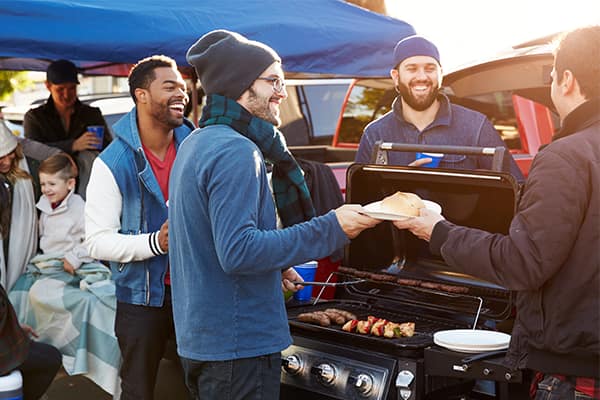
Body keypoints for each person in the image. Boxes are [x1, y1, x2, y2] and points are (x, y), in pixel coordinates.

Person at [169, 30, 381, 400]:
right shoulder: (237, 151)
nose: (282, 91)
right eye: (273, 81)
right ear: (241, 85)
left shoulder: (197, 142)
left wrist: (277, 265)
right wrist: (333, 227)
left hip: (206, 339)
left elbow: (209, 238)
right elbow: (239, 252)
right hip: (238, 346)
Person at [393, 26, 600, 399]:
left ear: (567, 80)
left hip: (579, 373)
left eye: (552, 75)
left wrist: (436, 231)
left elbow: (524, 262)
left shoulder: (566, 156)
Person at [84, 55, 193, 400]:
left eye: (182, 85)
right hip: (141, 300)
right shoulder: (111, 163)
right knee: (138, 391)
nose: (182, 92)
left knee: (206, 386)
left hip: (199, 292)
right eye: (170, 85)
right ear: (141, 95)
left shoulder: (197, 146)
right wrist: (154, 243)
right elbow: (97, 242)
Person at [355, 35, 524, 182]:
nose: (422, 77)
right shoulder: (375, 134)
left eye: (430, 69)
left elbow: (514, 188)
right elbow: (363, 200)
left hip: (458, 220)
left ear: (440, 74)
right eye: (412, 69)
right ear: (396, 77)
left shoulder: (476, 126)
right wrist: (403, 181)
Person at [23, 59, 111, 198]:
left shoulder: (91, 114)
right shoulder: (35, 117)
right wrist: (73, 145)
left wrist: (96, 145)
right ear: (48, 86)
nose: (66, 94)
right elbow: (32, 151)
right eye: (60, 89)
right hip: (48, 191)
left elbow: (109, 149)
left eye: (71, 88)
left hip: (87, 191)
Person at [37, 153, 93, 274]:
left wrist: (75, 258)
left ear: (70, 184)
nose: (46, 189)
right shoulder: (44, 205)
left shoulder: (79, 207)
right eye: (43, 184)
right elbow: (42, 234)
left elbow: (92, 239)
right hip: (47, 261)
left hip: (70, 263)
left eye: (52, 184)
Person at [0, 129, 37, 291]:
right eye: (1, 157)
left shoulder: (25, 173)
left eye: (10, 155)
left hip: (16, 243)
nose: (7, 162)